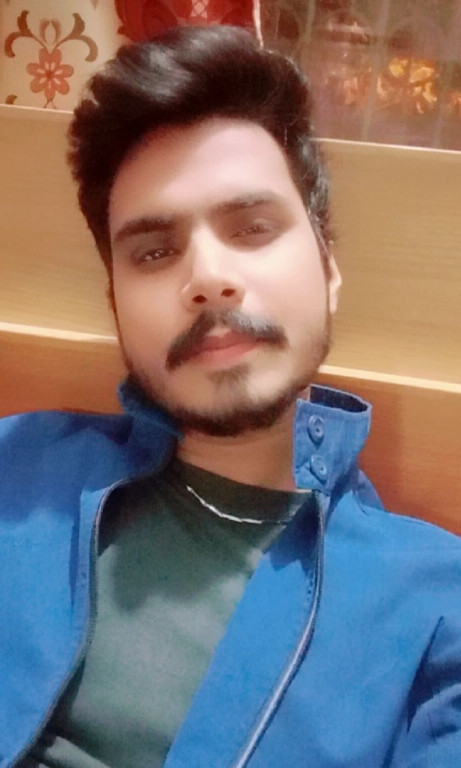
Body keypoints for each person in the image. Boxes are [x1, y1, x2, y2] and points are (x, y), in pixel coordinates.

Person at [1, 24, 460, 768]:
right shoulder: (17, 468)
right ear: (116, 302)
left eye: (251, 228)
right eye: (155, 251)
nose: (208, 278)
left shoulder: (437, 603)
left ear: (328, 270)